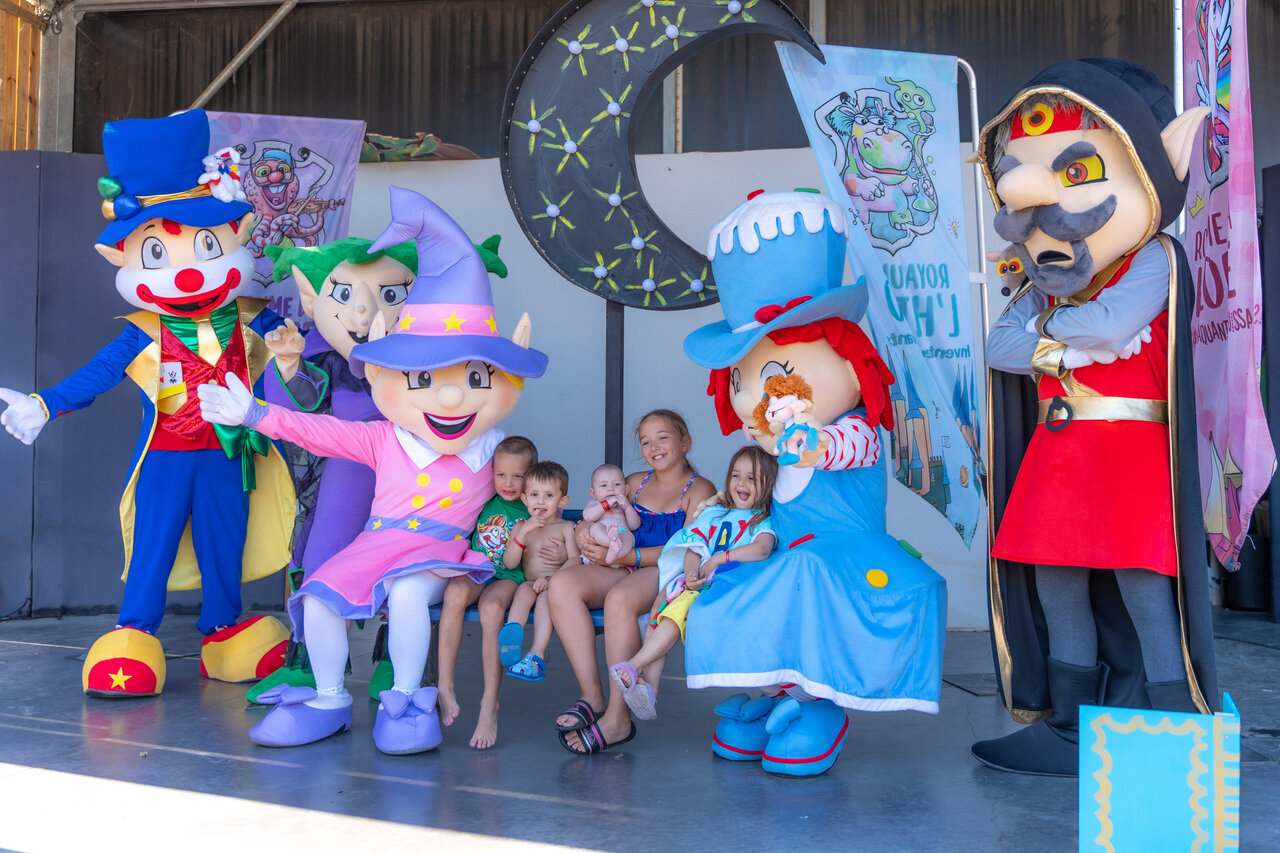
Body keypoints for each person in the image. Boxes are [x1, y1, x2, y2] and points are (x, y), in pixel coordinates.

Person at [198, 187, 548, 754]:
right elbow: (319, 431)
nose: (453, 394)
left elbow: (533, 490)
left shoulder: (494, 450)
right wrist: (255, 413)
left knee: (409, 595)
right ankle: (330, 697)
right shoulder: (385, 437)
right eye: (424, 380)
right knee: (318, 594)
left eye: (476, 378)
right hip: (377, 542)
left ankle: (408, 701)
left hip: (441, 549)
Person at [972, 59, 1218, 776]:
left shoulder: (1155, 258)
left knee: (1145, 588)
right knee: (1058, 584)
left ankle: (1176, 730)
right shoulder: (1041, 282)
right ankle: (1069, 730)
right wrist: (1059, 339)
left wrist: (1046, 333)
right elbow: (998, 346)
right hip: (1059, 451)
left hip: (1132, 453)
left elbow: (1113, 326)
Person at [0, 109, 294, 696]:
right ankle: (133, 635)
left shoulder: (257, 320)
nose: (188, 275)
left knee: (224, 543)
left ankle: (224, 632)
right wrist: (46, 402)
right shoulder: (144, 331)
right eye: (159, 255)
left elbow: (298, 381)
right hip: (165, 453)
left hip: (230, 454)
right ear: (126, 258)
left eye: (206, 246)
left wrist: (295, 360)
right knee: (153, 544)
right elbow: (100, 372)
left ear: (235, 236)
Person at [682, 190, 947, 777]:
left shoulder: (855, 432)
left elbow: (842, 450)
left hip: (849, 555)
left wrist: (811, 440)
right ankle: (776, 695)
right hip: (794, 551)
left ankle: (819, 705)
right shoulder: (769, 450)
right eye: (745, 381)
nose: (761, 395)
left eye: (777, 373)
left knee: (805, 581)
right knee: (738, 584)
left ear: (852, 365)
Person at [248, 236, 418, 701]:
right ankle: (311, 661)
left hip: (409, 477)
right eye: (344, 294)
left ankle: (396, 662)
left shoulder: (427, 354)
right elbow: (293, 412)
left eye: (389, 294)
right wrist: (287, 364)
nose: (364, 312)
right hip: (341, 474)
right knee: (320, 561)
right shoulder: (322, 355)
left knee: (406, 566)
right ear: (312, 297)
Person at [550, 409, 716, 754]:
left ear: (685, 441)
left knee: (620, 600)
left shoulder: (699, 488)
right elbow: (602, 511)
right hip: (623, 565)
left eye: (663, 437)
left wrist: (632, 558)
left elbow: (690, 547)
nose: (654, 446)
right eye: (645, 440)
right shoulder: (635, 481)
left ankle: (617, 719)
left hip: (664, 570)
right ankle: (592, 694)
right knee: (562, 585)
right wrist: (582, 532)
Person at [609, 445, 778, 720]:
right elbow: (693, 547)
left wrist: (719, 559)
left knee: (674, 614)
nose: (741, 483)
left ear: (768, 484)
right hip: (700, 582)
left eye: (752, 478)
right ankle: (649, 688)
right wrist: (690, 573)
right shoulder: (716, 513)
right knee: (660, 606)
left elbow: (762, 549)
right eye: (736, 475)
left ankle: (634, 664)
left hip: (732, 587)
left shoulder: (761, 520)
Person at [436, 434, 536, 748]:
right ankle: (444, 685)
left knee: (492, 609)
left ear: (529, 477)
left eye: (518, 476)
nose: (508, 483)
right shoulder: (481, 499)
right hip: (478, 568)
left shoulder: (533, 508)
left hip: (509, 575)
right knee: (454, 594)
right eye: (501, 474)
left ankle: (489, 703)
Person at [499, 461, 580, 682]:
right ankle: (512, 631)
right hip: (529, 582)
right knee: (523, 591)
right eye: (534, 494)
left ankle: (535, 654)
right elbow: (509, 563)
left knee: (546, 599)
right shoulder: (521, 527)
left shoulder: (566, 528)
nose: (540, 502)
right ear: (524, 498)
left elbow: (576, 560)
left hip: (553, 585)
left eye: (549, 496)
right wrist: (523, 534)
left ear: (563, 500)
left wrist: (552, 579)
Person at [579, 463, 640, 565]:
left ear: (626, 490)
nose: (611, 488)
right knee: (595, 528)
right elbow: (588, 516)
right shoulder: (595, 504)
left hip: (621, 533)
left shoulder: (624, 506)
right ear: (593, 493)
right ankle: (611, 542)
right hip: (604, 531)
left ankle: (615, 554)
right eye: (604, 485)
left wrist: (628, 508)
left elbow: (634, 525)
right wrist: (605, 504)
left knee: (629, 538)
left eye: (617, 484)